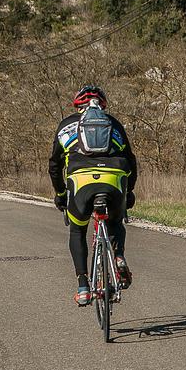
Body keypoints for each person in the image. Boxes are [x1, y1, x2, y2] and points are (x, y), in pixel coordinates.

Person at [48, 85, 138, 306]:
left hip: (81, 182)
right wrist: (129, 191)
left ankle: (83, 287)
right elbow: (131, 161)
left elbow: (54, 165)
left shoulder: (66, 125)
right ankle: (118, 257)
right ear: (103, 105)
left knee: (77, 230)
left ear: (77, 105)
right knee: (116, 221)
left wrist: (60, 194)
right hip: (114, 179)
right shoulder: (113, 124)